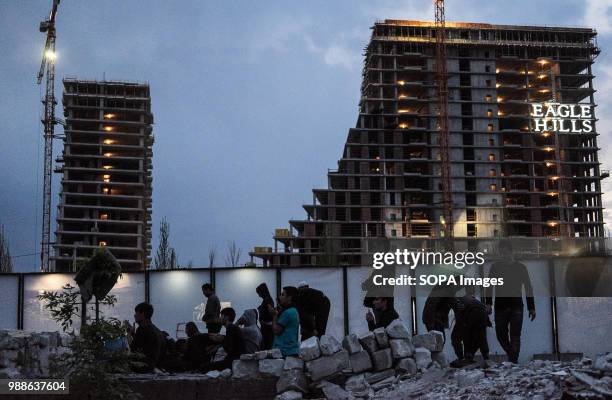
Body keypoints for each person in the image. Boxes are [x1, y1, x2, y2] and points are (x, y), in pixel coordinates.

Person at [484, 240, 536, 364]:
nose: (504, 255)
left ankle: (513, 362)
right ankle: (513, 359)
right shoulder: (496, 267)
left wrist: (531, 307)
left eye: (506, 253)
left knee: (515, 335)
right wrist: (488, 303)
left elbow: (528, 287)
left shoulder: (520, 267)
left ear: (511, 252)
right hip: (501, 306)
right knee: (501, 335)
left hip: (516, 306)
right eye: (502, 253)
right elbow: (489, 285)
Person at [449, 294, 491, 368]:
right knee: (481, 336)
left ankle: (463, 358)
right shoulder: (466, 299)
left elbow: (461, 323)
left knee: (461, 336)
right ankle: (485, 357)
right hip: (482, 312)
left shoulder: (456, 301)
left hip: (472, 312)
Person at [201, 307, 246, 372]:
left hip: (235, 360)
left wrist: (221, 340)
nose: (220, 318)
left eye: (221, 316)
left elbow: (230, 348)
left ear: (226, 317)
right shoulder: (232, 328)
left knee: (205, 366)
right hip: (234, 358)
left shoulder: (230, 328)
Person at [128, 302, 164, 372]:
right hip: (155, 367)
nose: (134, 315)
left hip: (143, 368)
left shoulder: (142, 329)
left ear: (142, 314)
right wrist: (133, 334)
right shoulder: (157, 330)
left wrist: (129, 334)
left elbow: (133, 349)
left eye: (136, 313)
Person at [269, 286, 300, 357]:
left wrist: (274, 315)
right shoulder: (294, 311)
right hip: (290, 350)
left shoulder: (287, 313)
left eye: (283, 295)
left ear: (290, 297)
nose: (280, 297)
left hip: (285, 351)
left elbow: (276, 330)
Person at [256, 283, 275, 350]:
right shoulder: (268, 299)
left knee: (266, 346)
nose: (259, 295)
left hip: (267, 328)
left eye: (259, 293)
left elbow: (271, 312)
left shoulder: (267, 300)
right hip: (267, 327)